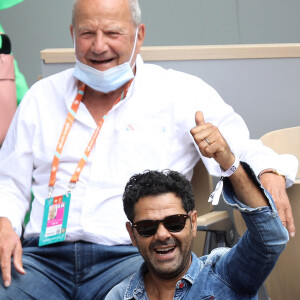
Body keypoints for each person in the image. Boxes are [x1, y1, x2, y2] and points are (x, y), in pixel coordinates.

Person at [0, 0, 297, 298]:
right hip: (40, 262)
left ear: (139, 35)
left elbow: (238, 147)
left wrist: (269, 171)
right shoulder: (41, 97)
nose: (99, 46)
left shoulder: (178, 92)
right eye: (87, 33)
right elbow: (9, 182)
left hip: (130, 257)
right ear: (72, 34)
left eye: (112, 33)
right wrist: (4, 222)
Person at [105, 134, 289, 299]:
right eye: (147, 227)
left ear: (193, 223)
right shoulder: (119, 296)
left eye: (174, 222)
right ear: (132, 234)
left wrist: (230, 165)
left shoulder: (225, 274)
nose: (162, 235)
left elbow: (271, 238)